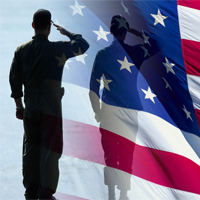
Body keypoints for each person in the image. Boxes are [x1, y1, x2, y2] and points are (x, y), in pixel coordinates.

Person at [9, 9, 89, 200]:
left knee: (30, 152)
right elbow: (83, 45)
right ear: (49, 28)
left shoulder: (21, 50)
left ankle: (30, 193)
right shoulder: (57, 49)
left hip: (31, 110)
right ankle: (46, 195)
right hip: (51, 112)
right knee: (50, 153)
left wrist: (20, 106)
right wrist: (67, 32)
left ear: (33, 26)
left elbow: (14, 80)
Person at [89, 15, 162, 200]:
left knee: (111, 153)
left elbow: (93, 88)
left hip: (109, 112)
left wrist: (97, 112)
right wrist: (136, 32)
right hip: (131, 111)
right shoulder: (136, 53)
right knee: (127, 153)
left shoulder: (102, 55)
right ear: (125, 32)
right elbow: (156, 45)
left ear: (111, 31)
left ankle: (111, 194)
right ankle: (123, 194)